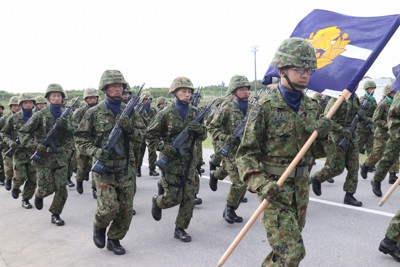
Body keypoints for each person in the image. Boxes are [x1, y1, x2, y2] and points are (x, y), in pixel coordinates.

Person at [236, 37, 332, 266]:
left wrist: (324, 135)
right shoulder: (265, 107)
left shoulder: (312, 107)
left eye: (308, 69)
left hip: (300, 189)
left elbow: (316, 152)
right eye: (298, 68)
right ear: (282, 70)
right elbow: (245, 155)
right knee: (292, 253)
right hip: (274, 188)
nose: (305, 74)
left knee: (283, 254)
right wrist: (261, 184)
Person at [75, 70, 145, 255]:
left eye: (120, 86)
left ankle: (114, 239)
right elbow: (80, 140)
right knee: (108, 208)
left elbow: (141, 137)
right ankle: (99, 225)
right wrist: (96, 152)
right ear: (105, 88)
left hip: (125, 168)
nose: (117, 89)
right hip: (104, 168)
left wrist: (129, 129)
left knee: (125, 210)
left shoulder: (130, 113)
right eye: (113, 86)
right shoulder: (93, 113)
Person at [147, 76, 207, 243]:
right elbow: (150, 136)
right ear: (175, 92)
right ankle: (158, 202)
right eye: (183, 91)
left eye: (189, 92)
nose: (187, 94)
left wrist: (200, 129)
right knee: (173, 198)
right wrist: (164, 147)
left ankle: (180, 228)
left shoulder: (195, 112)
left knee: (189, 197)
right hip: (171, 162)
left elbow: (204, 135)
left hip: (189, 161)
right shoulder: (165, 113)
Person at [19, 84, 72, 226]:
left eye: (59, 95)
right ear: (48, 98)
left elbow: (73, 134)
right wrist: (35, 145)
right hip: (43, 158)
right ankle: (38, 194)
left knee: (62, 188)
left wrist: (67, 149)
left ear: (62, 98)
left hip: (60, 157)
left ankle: (56, 214)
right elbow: (23, 132)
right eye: (53, 95)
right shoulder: (40, 115)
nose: (56, 98)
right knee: (46, 188)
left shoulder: (66, 114)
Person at [208, 74, 252, 224]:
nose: (245, 92)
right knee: (240, 183)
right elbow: (212, 127)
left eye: (246, 89)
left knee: (246, 180)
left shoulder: (252, 107)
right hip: (230, 150)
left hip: (246, 151)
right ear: (234, 91)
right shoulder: (226, 108)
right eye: (241, 89)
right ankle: (230, 209)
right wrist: (225, 138)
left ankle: (215, 175)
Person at [311, 88, 363, 207]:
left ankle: (349, 195)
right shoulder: (337, 97)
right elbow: (325, 118)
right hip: (337, 136)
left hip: (351, 135)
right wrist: (341, 129)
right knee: (337, 167)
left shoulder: (355, 98)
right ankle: (318, 178)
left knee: (354, 166)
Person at [0, 93, 37, 209]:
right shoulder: (13, 118)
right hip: (18, 152)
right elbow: (4, 133)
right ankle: (16, 186)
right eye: (25, 102)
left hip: (33, 151)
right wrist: (10, 142)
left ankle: (25, 199)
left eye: (30, 102)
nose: (28, 104)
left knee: (33, 178)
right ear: (21, 104)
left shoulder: (38, 116)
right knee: (20, 176)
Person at [360, 84, 398, 184]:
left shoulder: (396, 103)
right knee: (377, 153)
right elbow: (375, 119)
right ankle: (366, 165)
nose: (396, 94)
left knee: (393, 154)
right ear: (389, 93)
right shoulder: (383, 104)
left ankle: (392, 175)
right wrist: (388, 125)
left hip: (392, 134)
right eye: (394, 92)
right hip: (381, 134)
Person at [371, 88, 400, 197]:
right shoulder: (397, 97)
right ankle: (376, 180)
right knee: (388, 158)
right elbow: (393, 114)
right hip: (396, 133)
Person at [72, 88, 99, 198]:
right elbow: (73, 126)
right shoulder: (79, 111)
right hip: (83, 143)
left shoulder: (100, 109)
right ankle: (79, 181)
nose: (92, 99)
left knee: (95, 166)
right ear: (86, 99)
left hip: (96, 142)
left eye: (94, 97)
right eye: (90, 98)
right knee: (82, 166)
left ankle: (94, 188)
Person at [137, 92, 159, 177]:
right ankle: (138, 169)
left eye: (149, 99)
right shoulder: (138, 109)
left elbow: (156, 121)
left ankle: (152, 169)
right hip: (141, 134)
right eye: (146, 99)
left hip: (151, 134)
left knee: (152, 152)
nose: (147, 100)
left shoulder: (153, 110)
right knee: (140, 152)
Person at [1, 96, 21, 190]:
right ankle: (8, 179)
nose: (17, 107)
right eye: (14, 105)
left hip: (20, 147)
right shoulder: (5, 119)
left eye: (18, 105)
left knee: (18, 169)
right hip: (7, 146)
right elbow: (2, 132)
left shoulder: (24, 117)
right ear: (10, 106)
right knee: (9, 167)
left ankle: (16, 185)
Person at [356, 80, 377, 155]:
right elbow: (361, 114)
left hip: (370, 128)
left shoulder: (373, 100)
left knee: (371, 148)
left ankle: (369, 166)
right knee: (357, 147)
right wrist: (371, 120)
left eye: (374, 88)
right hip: (362, 128)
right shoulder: (362, 100)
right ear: (367, 89)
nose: (373, 90)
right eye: (371, 88)